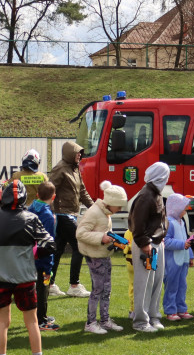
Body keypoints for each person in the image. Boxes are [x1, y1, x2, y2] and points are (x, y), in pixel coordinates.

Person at [0, 179, 55, 355]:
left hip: (1, 277)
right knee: (31, 322)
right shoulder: (31, 217)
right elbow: (50, 244)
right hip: (25, 277)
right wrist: (33, 253)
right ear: (24, 197)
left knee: (2, 322)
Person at [76, 180, 128, 334]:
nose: (119, 209)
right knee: (98, 289)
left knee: (107, 289)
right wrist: (101, 238)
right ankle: (90, 323)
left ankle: (104, 320)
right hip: (95, 256)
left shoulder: (105, 212)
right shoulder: (94, 212)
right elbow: (80, 233)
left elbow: (105, 231)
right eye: (119, 206)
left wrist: (116, 240)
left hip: (104, 254)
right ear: (111, 202)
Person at [48, 141, 94, 298]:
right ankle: (74, 285)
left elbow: (82, 191)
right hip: (62, 214)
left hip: (70, 213)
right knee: (80, 245)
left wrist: (94, 208)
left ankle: (50, 284)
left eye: (81, 152)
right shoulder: (61, 168)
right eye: (77, 152)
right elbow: (49, 189)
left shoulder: (75, 169)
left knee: (58, 249)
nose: (80, 155)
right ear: (69, 153)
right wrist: (51, 210)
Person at [129, 162, 170, 334]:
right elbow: (137, 223)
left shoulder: (155, 193)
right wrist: (145, 243)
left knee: (156, 281)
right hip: (147, 246)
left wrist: (160, 238)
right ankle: (140, 321)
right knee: (144, 283)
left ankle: (153, 316)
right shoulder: (147, 195)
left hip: (155, 244)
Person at [28, 181, 60, 331]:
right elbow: (48, 242)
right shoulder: (47, 215)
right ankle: (41, 320)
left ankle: (38, 316)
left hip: (30, 256)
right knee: (43, 288)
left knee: (35, 288)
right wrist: (49, 265)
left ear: (37, 195)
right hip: (43, 259)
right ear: (53, 197)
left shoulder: (31, 208)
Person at [162, 194, 194, 321]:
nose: (186, 210)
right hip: (172, 262)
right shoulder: (169, 223)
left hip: (183, 260)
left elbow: (186, 240)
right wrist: (183, 245)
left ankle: (181, 309)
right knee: (171, 286)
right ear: (176, 208)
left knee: (182, 286)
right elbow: (166, 241)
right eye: (184, 208)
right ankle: (170, 311)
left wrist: (190, 256)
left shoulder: (181, 222)